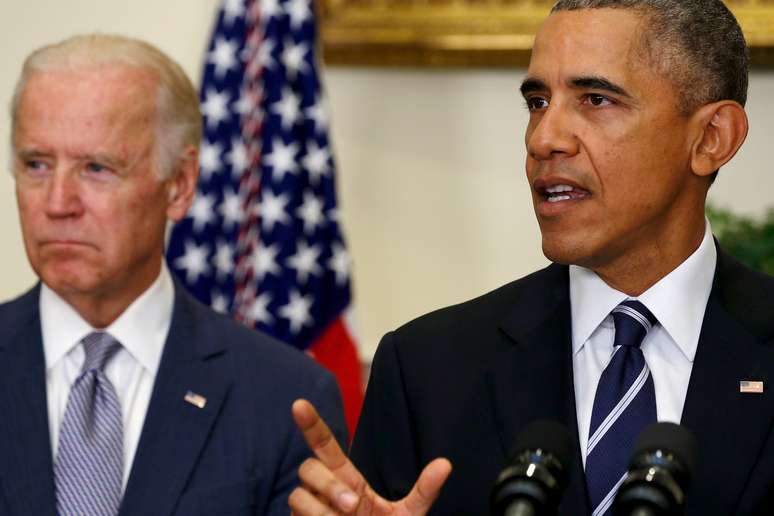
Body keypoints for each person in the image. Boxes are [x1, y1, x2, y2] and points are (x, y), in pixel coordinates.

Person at [288, 1, 774, 515]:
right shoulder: (427, 370)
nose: (544, 139)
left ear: (711, 138)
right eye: (538, 102)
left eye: (595, 99)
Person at [2, 34, 347, 516]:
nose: (58, 203)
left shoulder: (284, 398)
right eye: (36, 164)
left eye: (96, 168)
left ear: (180, 185)